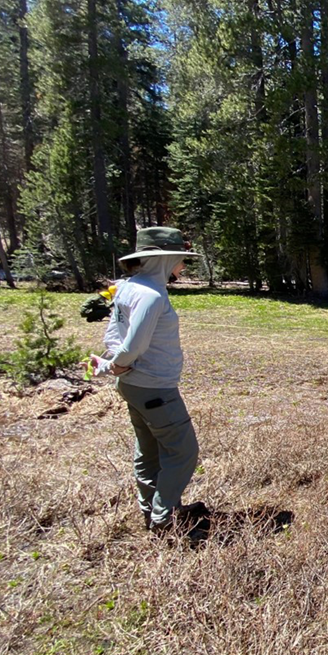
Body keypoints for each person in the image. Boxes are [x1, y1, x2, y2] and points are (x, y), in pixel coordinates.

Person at [103, 227, 204, 536]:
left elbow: (112, 334)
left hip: (135, 386)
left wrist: (116, 364)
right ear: (164, 259)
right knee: (183, 451)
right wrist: (119, 363)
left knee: (149, 449)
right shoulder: (151, 295)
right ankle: (164, 517)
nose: (183, 265)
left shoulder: (128, 287)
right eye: (180, 258)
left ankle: (152, 511)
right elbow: (133, 345)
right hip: (154, 388)